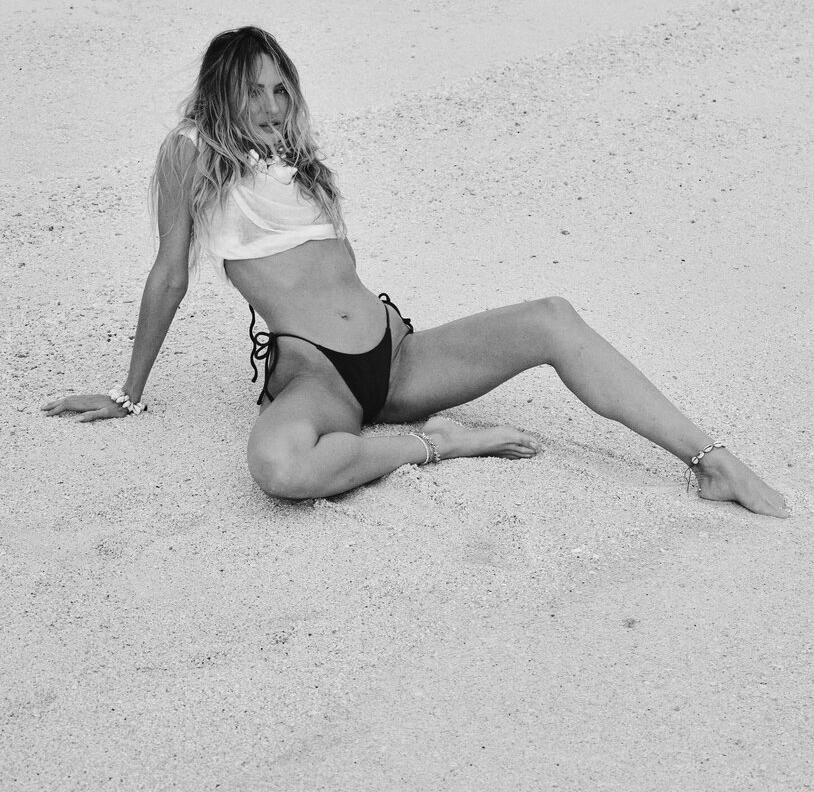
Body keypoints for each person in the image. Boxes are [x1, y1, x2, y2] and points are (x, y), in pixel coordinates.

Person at [42, 26, 789, 518]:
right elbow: (170, 274)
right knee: (279, 467)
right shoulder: (191, 151)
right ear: (221, 93)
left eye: (281, 88)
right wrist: (128, 393)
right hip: (320, 379)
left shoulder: (299, 162)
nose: (271, 104)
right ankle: (442, 443)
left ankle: (709, 459)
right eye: (253, 90)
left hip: (395, 358)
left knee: (552, 319)